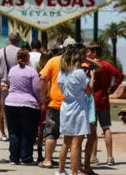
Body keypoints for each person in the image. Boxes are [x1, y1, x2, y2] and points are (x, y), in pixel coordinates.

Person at [55, 44, 101, 175]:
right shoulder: (79, 73)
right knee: (76, 142)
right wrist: (91, 77)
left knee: (66, 140)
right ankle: (74, 172)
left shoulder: (61, 73)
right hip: (78, 108)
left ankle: (61, 170)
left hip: (66, 106)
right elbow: (89, 91)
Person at [39, 37, 76, 169]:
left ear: (63, 48)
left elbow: (43, 78)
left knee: (51, 132)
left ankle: (48, 160)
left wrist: (43, 96)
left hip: (55, 102)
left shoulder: (53, 61)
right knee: (72, 135)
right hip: (73, 104)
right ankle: (74, 162)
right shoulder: (78, 63)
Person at [86, 42, 123, 166]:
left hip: (90, 101)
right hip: (103, 100)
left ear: (94, 52)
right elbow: (119, 75)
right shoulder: (107, 65)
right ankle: (110, 157)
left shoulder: (88, 65)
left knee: (92, 129)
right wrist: (112, 89)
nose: (87, 54)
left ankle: (94, 157)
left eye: (89, 51)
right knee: (106, 127)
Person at [5, 49, 41, 165]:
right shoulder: (32, 72)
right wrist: (40, 101)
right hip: (28, 104)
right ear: (28, 58)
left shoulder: (12, 70)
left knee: (13, 131)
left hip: (11, 103)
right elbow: (36, 89)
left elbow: (11, 85)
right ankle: (26, 157)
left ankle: (13, 158)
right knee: (28, 132)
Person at [0, 32, 21, 142]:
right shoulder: (20, 53)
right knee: (16, 110)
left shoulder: (0, 51)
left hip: (2, 84)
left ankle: (2, 133)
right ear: (18, 40)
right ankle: (15, 132)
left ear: (9, 40)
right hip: (16, 84)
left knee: (1, 110)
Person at [34, 49, 53, 163]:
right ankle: (47, 155)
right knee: (48, 130)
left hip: (39, 103)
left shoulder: (37, 71)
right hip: (48, 102)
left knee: (41, 130)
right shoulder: (50, 71)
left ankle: (40, 154)